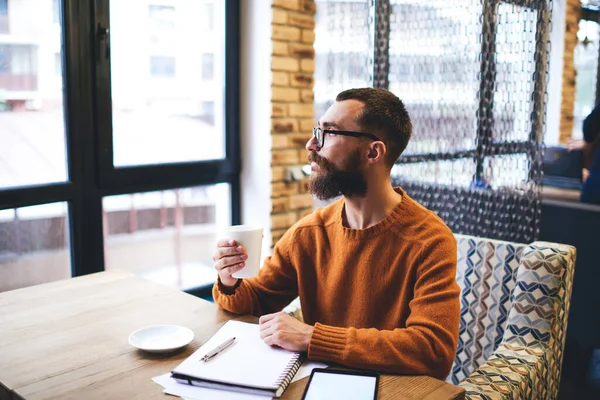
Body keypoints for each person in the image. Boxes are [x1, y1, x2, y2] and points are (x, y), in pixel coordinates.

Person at [211, 88, 460, 379]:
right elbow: (254, 301)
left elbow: (432, 351)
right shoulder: (309, 234)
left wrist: (311, 338)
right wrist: (230, 278)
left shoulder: (430, 240)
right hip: (322, 384)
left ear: (373, 152)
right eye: (318, 130)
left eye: (328, 133)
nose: (311, 144)